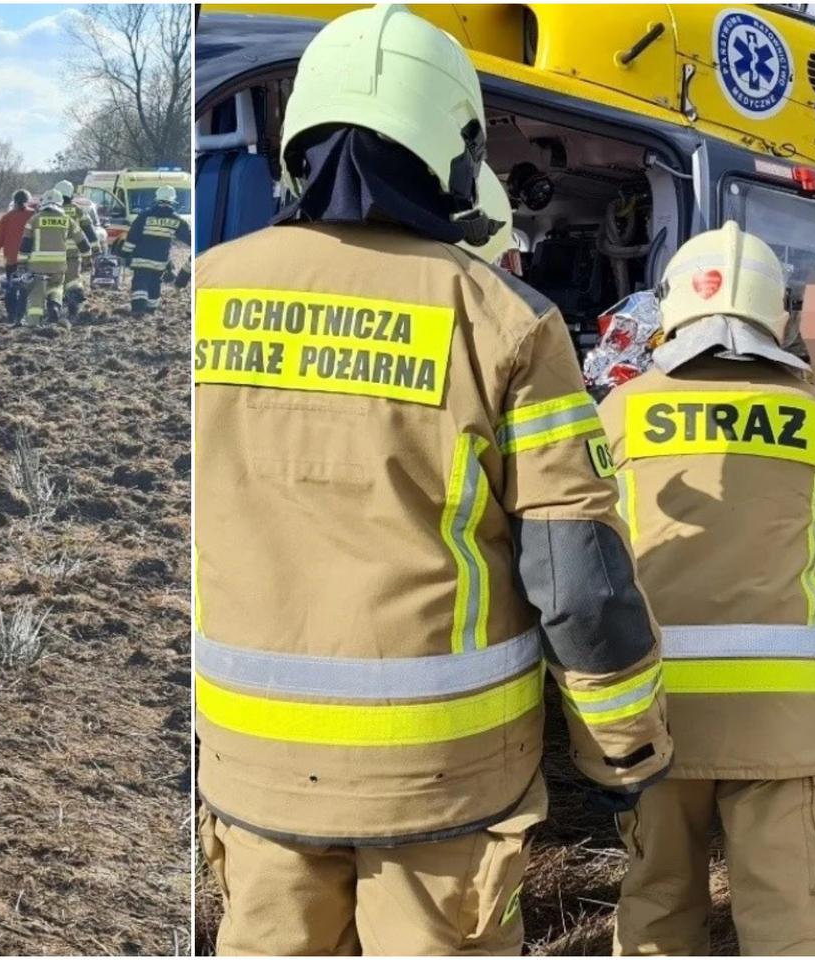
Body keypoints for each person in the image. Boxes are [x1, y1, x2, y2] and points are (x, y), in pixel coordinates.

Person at [194, 6, 672, 955]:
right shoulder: (505, 322)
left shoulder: (202, 292)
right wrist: (625, 746)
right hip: (441, 780)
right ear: (452, 148)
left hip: (253, 769)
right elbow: (578, 583)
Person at [601, 222, 815, 956]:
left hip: (657, 716)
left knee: (658, 912)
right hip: (788, 721)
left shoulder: (620, 411)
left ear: (671, 309)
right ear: (779, 314)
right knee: (795, 921)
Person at [19, 188, 90, 327]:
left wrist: (21, 264)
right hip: (59, 266)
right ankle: (55, 308)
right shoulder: (67, 220)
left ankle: (33, 323)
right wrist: (88, 258)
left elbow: (25, 245)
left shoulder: (34, 220)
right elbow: (83, 242)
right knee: (56, 287)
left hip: (37, 266)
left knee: (36, 294)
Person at [120, 184, 190, 317]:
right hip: (160, 262)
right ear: (172, 201)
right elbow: (190, 239)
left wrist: (124, 254)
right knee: (154, 285)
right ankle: (150, 311)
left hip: (141, 261)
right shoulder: (177, 220)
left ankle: (138, 310)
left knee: (140, 283)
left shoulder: (144, 216)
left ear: (157, 199)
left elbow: (132, 238)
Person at [54, 179, 101, 318]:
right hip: (73, 255)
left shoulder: (50, 211)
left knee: (55, 282)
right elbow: (89, 232)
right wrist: (95, 250)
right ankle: (73, 310)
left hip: (53, 254)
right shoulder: (78, 211)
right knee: (73, 281)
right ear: (71, 194)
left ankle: (56, 308)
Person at [0, 188, 36, 323]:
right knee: (26, 287)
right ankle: (21, 315)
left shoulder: (6, 217)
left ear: (14, 201)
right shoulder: (34, 215)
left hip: (11, 259)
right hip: (29, 259)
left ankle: (11, 315)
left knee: (11, 287)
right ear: (28, 201)